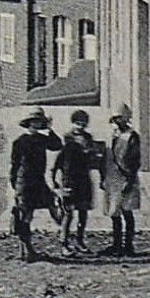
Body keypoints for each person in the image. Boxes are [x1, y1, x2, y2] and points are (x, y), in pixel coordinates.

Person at [9, 108, 62, 262]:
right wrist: (14, 182)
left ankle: (27, 250)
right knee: (25, 215)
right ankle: (27, 250)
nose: (38, 124)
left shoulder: (42, 139)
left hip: (38, 181)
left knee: (48, 206)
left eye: (40, 122)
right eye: (35, 122)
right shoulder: (19, 141)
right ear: (29, 123)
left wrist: (50, 129)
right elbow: (15, 164)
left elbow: (57, 145)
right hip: (24, 181)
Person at [52, 109, 103, 255]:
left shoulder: (88, 138)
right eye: (78, 124)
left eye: (83, 124)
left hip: (84, 179)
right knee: (68, 213)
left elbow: (93, 157)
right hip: (69, 179)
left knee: (83, 211)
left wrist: (92, 154)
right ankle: (64, 243)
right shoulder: (66, 139)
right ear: (73, 123)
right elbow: (57, 162)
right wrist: (55, 180)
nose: (80, 127)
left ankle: (80, 241)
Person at [103, 104, 143, 255]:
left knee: (127, 211)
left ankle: (128, 245)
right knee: (114, 213)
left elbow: (134, 161)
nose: (118, 121)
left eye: (120, 118)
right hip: (113, 178)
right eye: (116, 118)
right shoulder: (113, 135)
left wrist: (130, 180)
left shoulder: (131, 137)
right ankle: (116, 244)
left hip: (126, 177)